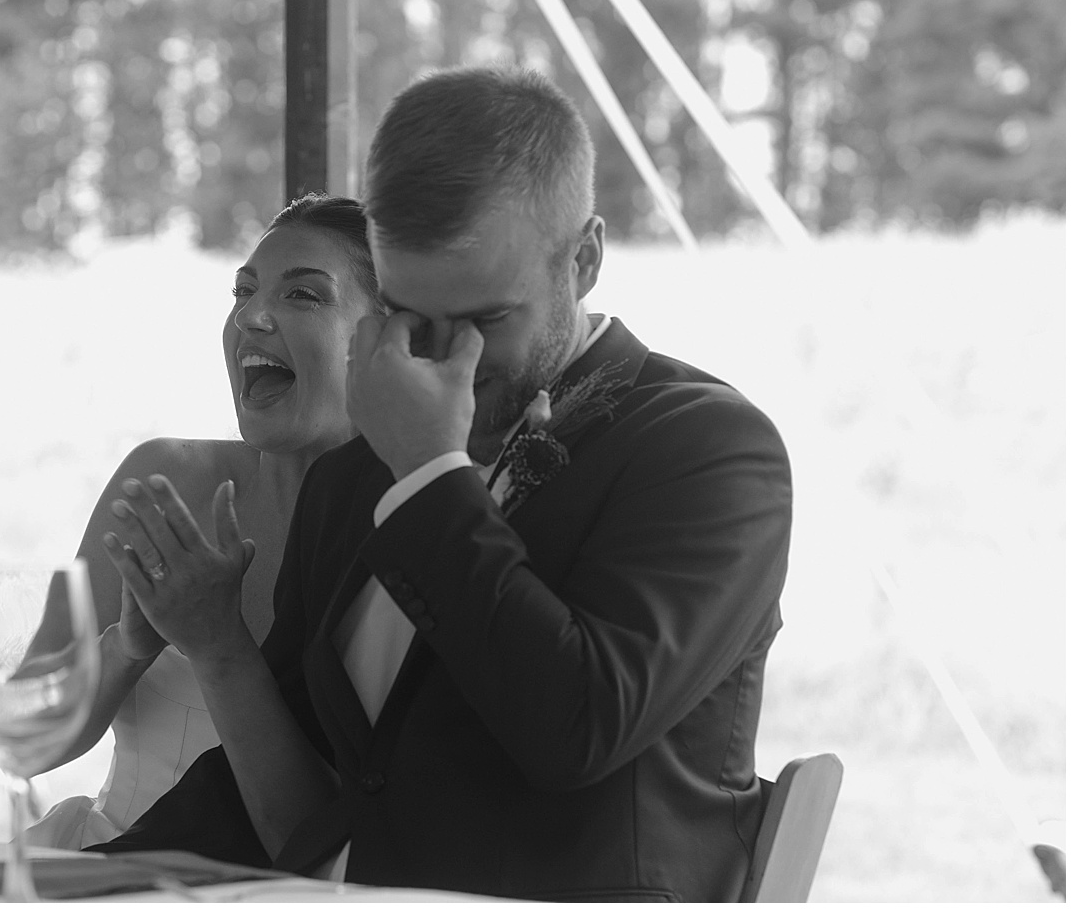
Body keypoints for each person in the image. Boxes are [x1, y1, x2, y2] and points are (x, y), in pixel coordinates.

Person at [102, 66, 793, 902]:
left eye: (482, 319)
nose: (438, 353)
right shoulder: (357, 470)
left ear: (584, 259)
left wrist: (432, 475)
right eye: (404, 311)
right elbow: (284, 777)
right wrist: (60, 886)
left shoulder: (707, 450)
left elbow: (575, 729)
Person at [28, 195, 382, 848]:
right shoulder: (168, 482)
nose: (251, 315)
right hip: (111, 872)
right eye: (242, 290)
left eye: (303, 295)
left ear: (382, 334)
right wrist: (129, 646)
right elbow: (21, 739)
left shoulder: (411, 528)